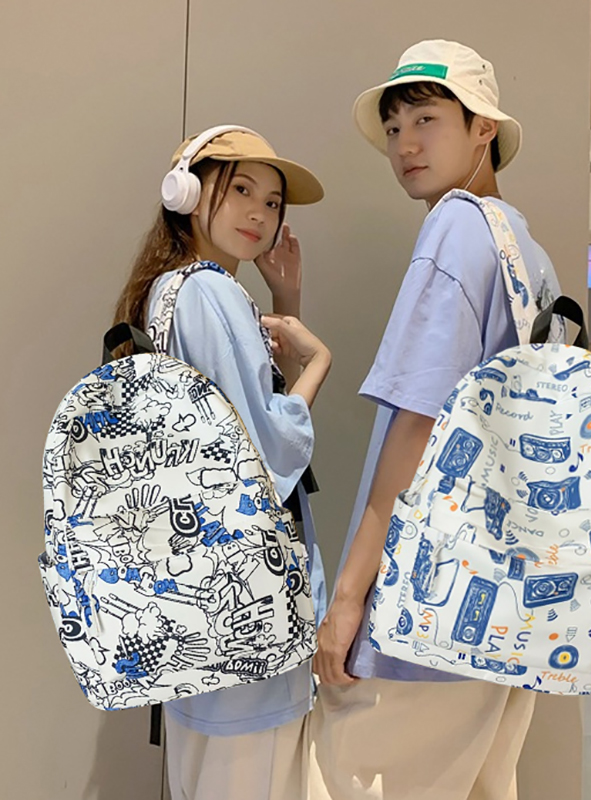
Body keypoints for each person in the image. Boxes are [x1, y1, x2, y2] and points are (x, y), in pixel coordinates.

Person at [311, 40, 563, 800]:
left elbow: (419, 427)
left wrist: (349, 596)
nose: (405, 145)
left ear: (484, 128)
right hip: (511, 597)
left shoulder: (455, 226)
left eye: (427, 119)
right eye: (394, 128)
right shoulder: (528, 250)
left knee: (350, 780)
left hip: (432, 601)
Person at [113, 125, 330, 800]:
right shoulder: (210, 292)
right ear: (186, 191)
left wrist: (284, 304)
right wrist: (317, 365)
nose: (259, 214)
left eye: (272, 202)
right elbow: (261, 452)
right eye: (240, 190)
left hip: (197, 600)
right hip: (250, 609)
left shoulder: (166, 291)